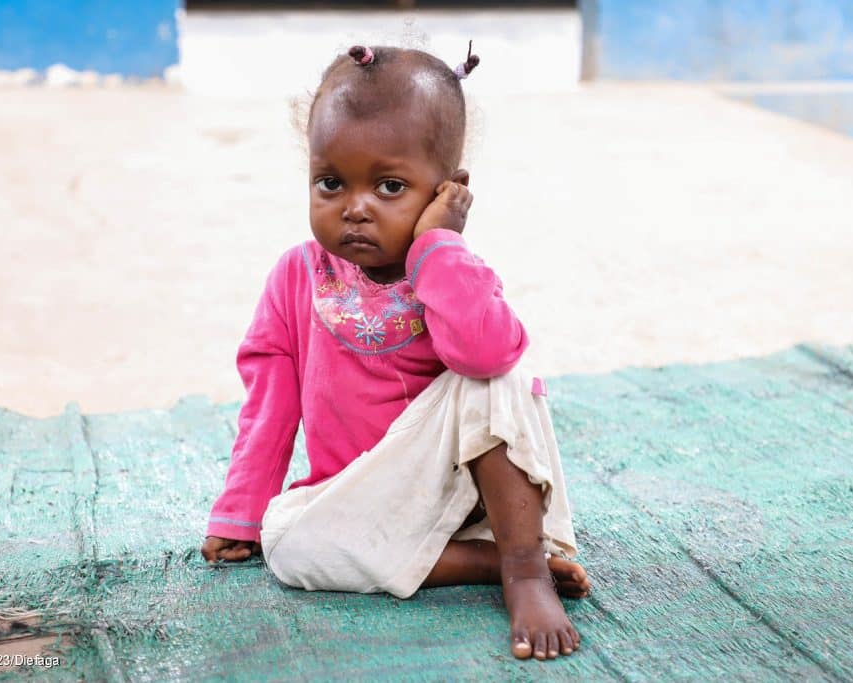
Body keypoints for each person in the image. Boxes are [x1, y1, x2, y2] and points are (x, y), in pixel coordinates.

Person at [201, 44, 590, 661]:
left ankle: (522, 567)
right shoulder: (296, 278)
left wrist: (437, 244)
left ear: (447, 191)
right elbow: (269, 404)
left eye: (390, 186)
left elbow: (488, 353)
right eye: (331, 182)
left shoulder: (450, 269)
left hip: (465, 494)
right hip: (364, 503)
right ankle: (480, 565)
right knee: (287, 544)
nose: (355, 208)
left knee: (495, 373)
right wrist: (240, 512)